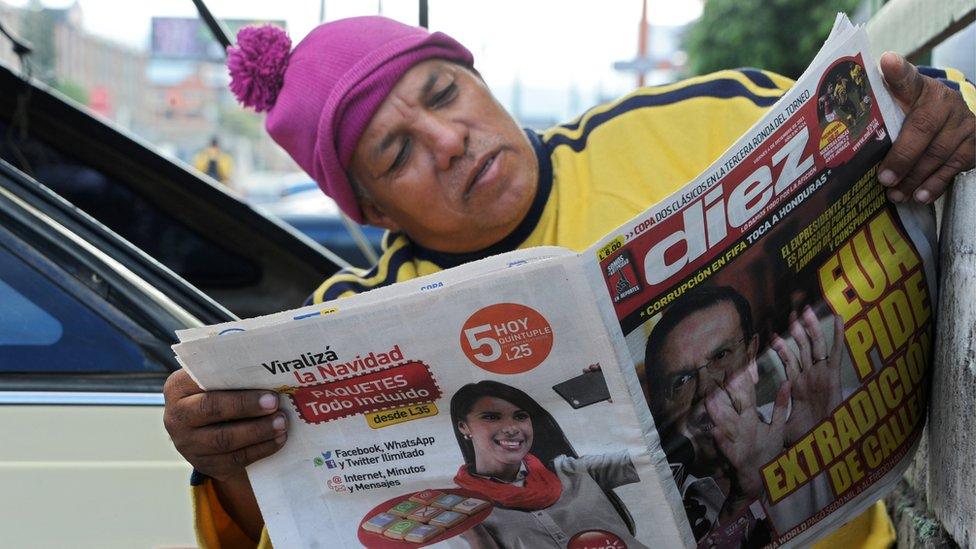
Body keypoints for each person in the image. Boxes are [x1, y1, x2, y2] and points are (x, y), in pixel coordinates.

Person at [161, 15, 975, 548]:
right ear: (371, 210)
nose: (448, 139)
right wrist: (226, 460)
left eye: (445, 93)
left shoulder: (689, 123)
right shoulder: (339, 326)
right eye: (397, 152)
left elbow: (912, 109)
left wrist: (942, 110)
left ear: (476, 77)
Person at [643, 286, 846, 545]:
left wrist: (834, 436)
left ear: (751, 356)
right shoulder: (655, 509)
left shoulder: (821, 411)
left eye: (721, 356)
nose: (707, 388)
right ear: (660, 406)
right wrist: (741, 498)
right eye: (682, 380)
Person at [449, 380, 642, 548]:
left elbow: (649, 456)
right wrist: (473, 530)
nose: (511, 428)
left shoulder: (573, 471)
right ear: (463, 427)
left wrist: (619, 395)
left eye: (520, 416)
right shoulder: (460, 509)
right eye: (491, 417)